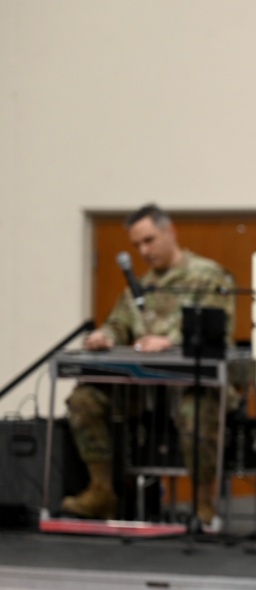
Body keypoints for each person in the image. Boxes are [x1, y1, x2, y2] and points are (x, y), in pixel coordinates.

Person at [60, 203, 235, 527]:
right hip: (142, 389)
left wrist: (172, 341)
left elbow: (217, 329)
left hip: (192, 385)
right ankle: (101, 492)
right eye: (137, 245)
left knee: (194, 411)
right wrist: (105, 335)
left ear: (170, 232)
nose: (143, 250)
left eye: (149, 240)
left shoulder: (207, 276)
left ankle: (202, 502)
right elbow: (119, 324)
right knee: (84, 400)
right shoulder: (138, 287)